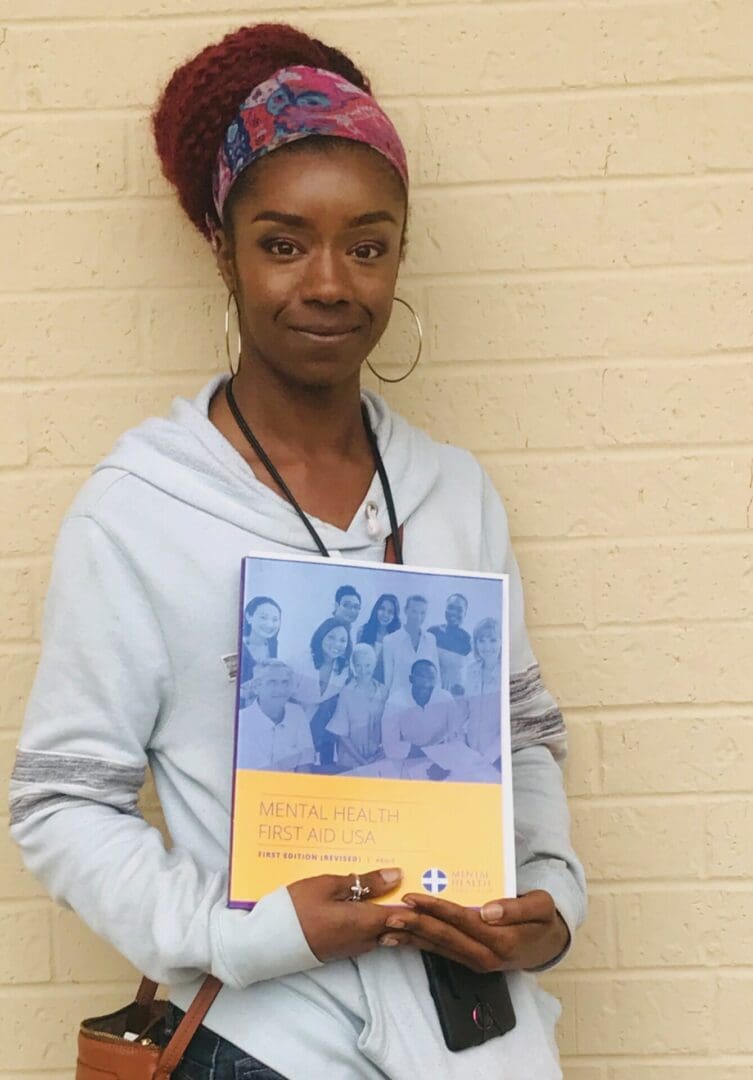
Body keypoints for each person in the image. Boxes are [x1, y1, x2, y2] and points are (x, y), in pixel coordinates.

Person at [9, 22, 585, 1080]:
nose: (329, 283)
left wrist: (550, 903)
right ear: (223, 252)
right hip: (267, 1044)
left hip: (479, 1044)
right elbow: (60, 802)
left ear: (400, 254)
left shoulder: (453, 494)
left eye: (367, 245)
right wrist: (245, 935)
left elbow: (523, 735)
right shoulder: (141, 510)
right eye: (284, 243)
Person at [382, 659, 461, 779]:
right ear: (411, 679)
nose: (426, 682)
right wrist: (427, 754)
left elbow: (456, 736)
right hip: (407, 759)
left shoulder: (446, 698)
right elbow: (390, 746)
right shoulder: (395, 702)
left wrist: (444, 759)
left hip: (440, 757)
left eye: (431, 678)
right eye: (421, 676)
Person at [293, 617, 352, 767]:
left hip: (315, 721)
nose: (337, 644)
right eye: (331, 637)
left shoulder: (343, 669)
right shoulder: (302, 660)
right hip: (291, 716)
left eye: (342, 640)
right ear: (321, 636)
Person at [236, 660, 315, 772]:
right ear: (256, 688)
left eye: (285, 682)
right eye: (272, 682)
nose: (281, 690)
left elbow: (305, 762)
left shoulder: (297, 712)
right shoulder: (242, 721)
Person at [326, 643, 387, 769]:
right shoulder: (346, 693)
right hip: (351, 760)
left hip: (377, 758)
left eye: (367, 665)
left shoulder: (383, 691)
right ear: (353, 667)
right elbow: (341, 734)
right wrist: (363, 762)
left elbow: (388, 727)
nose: (363, 670)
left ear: (374, 665)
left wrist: (380, 755)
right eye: (358, 665)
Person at [381, 593, 439, 696]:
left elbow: (436, 677)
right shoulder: (390, 640)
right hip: (399, 703)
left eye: (422, 613)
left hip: (425, 702)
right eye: (414, 611)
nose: (418, 617)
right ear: (405, 611)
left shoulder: (431, 640)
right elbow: (388, 681)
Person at [465, 617, 503, 768]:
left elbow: (508, 725)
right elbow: (466, 709)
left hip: (497, 757)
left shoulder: (506, 674)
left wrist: (488, 757)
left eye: (493, 640)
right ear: (476, 643)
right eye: (482, 640)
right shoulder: (470, 670)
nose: (487, 647)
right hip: (471, 750)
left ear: (502, 641)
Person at [238, 594, 282, 706]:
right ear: (249, 617)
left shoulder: (272, 643)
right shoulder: (238, 645)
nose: (270, 624)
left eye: (275, 619)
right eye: (263, 617)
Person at [427, 592, 472, 694]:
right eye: (450, 607)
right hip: (429, 691)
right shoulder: (432, 633)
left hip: (454, 695)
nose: (454, 612)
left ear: (465, 613)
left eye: (459, 609)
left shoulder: (468, 640)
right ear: (445, 609)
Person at [356, 592, 401, 683]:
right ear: (376, 610)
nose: (385, 614)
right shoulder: (363, 631)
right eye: (382, 609)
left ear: (394, 616)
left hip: (382, 688)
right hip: (361, 683)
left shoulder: (396, 638)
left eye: (390, 612)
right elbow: (356, 660)